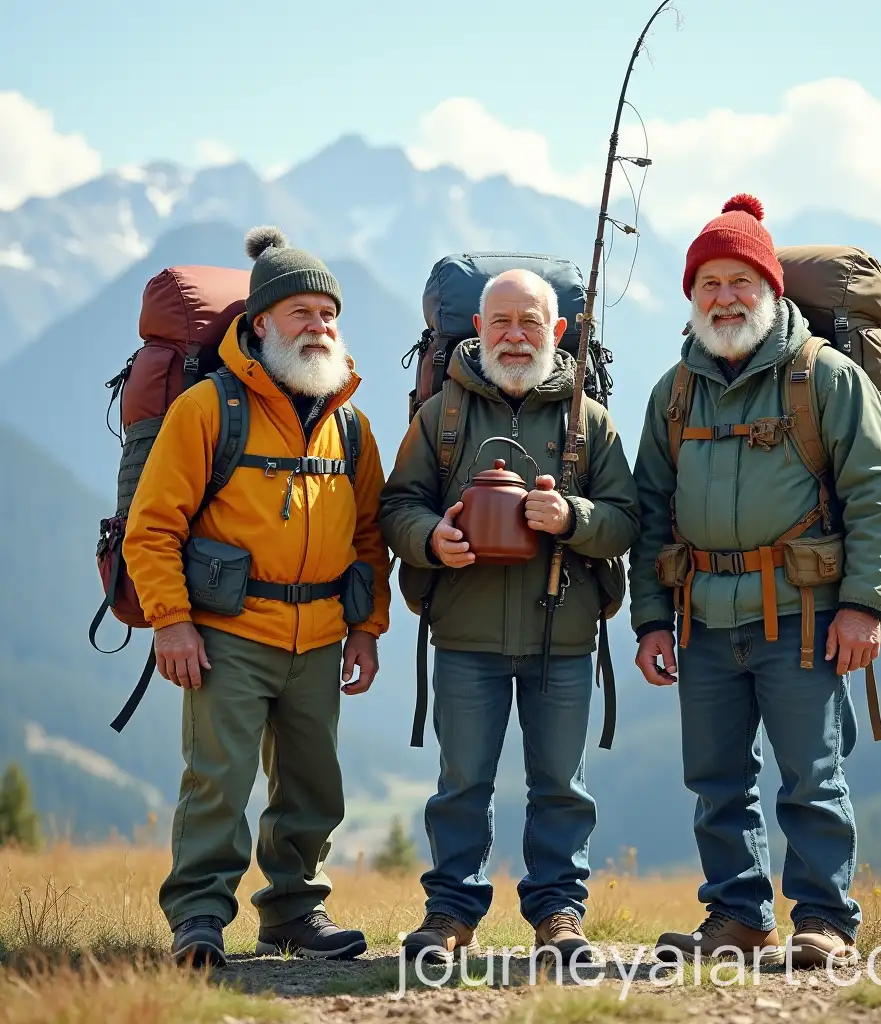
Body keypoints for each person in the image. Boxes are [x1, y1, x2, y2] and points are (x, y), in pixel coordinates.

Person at [628, 195, 881, 968]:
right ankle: (737, 918)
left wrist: (861, 605)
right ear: (691, 296)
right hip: (705, 617)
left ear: (771, 289)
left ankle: (825, 921)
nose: (724, 297)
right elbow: (650, 512)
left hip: (809, 614)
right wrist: (652, 621)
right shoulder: (673, 393)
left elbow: (874, 493)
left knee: (812, 776)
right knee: (716, 779)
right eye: (709, 282)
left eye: (740, 280)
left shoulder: (827, 378)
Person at [123, 226, 391, 967]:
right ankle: (200, 921)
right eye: (301, 312)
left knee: (312, 786)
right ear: (261, 322)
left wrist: (366, 629)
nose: (319, 327)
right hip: (225, 634)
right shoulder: (210, 408)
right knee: (219, 783)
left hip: (320, 635)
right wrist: (171, 623)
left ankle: (294, 915)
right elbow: (152, 527)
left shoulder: (351, 426)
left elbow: (370, 537)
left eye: (328, 314)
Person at [380, 269, 639, 963]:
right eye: (501, 322)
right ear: (478, 329)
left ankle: (559, 913)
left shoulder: (590, 420)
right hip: (464, 635)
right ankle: (449, 914)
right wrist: (432, 538)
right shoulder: (442, 417)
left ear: (557, 332)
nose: (515, 336)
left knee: (561, 784)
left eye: (530, 322)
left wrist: (573, 517)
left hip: (564, 632)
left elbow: (628, 520)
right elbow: (396, 507)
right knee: (462, 780)